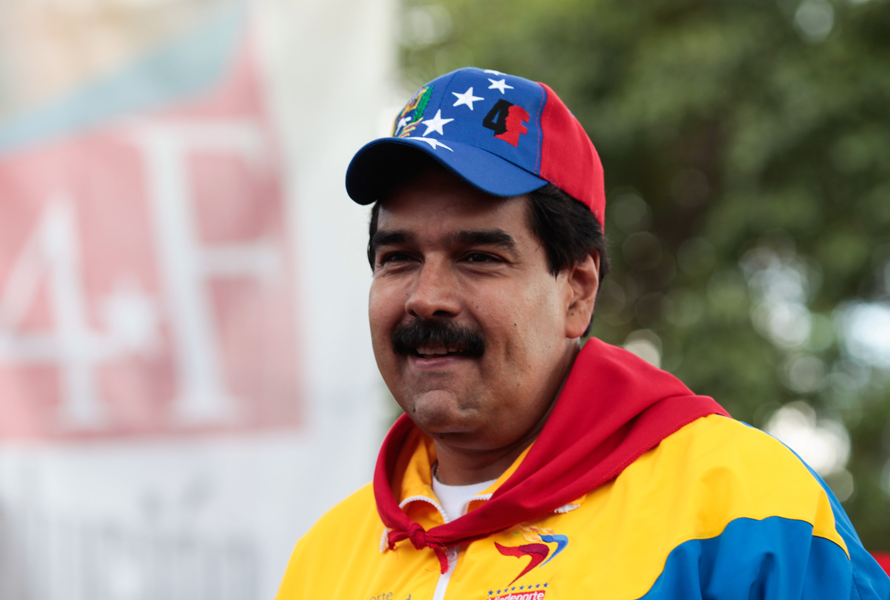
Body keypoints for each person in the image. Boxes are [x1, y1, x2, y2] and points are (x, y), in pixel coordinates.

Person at [275, 67, 890, 600]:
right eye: (399, 258)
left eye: (478, 257)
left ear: (578, 290)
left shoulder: (745, 510)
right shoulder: (323, 561)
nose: (427, 298)